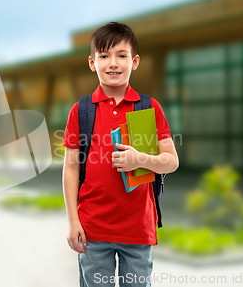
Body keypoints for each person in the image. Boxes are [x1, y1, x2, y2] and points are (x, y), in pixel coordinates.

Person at [62, 22, 179, 287]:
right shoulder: (81, 111)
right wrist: (72, 222)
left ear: (134, 61)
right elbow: (70, 169)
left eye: (121, 55)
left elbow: (171, 162)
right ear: (92, 63)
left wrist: (140, 159)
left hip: (138, 229)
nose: (112, 63)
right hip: (92, 229)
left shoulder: (149, 107)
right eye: (104, 56)